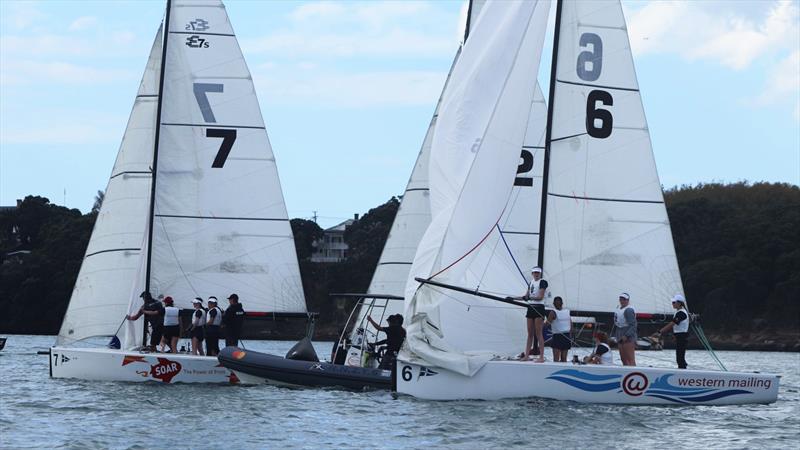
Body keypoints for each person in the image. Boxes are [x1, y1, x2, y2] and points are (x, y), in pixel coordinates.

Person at [367, 314, 406, 391]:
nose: (389, 324)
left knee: (380, 370)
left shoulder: (392, 329)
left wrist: (370, 320)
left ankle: (375, 385)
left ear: (396, 322)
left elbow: (378, 328)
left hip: (389, 355)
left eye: (390, 322)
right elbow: (388, 341)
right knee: (390, 372)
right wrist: (375, 344)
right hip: (397, 356)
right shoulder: (403, 331)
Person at [522, 266, 548, 362]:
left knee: (538, 333)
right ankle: (526, 355)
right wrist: (512, 298)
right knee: (530, 334)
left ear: (540, 273)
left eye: (538, 272)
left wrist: (528, 298)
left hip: (539, 308)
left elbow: (540, 297)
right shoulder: (531, 283)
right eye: (534, 272)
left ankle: (541, 357)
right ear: (532, 274)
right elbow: (526, 296)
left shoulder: (542, 282)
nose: (536, 274)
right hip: (531, 308)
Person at [658, 294, 690, 369]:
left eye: (674, 302)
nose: (672, 304)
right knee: (679, 357)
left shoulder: (681, 313)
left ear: (679, 303)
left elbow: (672, 324)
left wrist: (660, 332)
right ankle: (682, 370)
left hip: (682, 336)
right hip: (679, 336)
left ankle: (683, 372)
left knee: (680, 357)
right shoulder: (678, 312)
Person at [613, 293, 637, 366]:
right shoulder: (618, 308)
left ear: (628, 300)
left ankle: (634, 372)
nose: (622, 301)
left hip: (627, 334)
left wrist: (626, 335)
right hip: (619, 332)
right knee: (623, 359)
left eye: (624, 299)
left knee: (630, 359)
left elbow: (633, 325)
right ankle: (626, 373)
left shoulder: (628, 310)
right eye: (621, 299)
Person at [547, 296, 572, 362]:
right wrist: (571, 336)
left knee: (556, 359)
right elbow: (571, 324)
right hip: (566, 336)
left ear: (553, 304)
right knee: (564, 359)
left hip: (557, 337)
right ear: (562, 303)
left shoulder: (553, 312)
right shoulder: (567, 312)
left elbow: (547, 324)